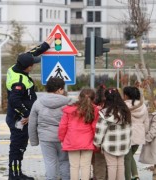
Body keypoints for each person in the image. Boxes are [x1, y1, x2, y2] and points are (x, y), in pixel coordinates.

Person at [6, 36, 54, 180]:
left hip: (20, 116)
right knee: (17, 147)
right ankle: (14, 176)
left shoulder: (16, 67)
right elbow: (14, 100)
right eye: (32, 64)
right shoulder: (18, 81)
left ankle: (17, 173)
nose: (33, 65)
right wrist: (27, 114)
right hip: (18, 118)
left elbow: (31, 53)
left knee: (20, 147)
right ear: (27, 67)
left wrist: (45, 44)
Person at [28, 77, 71, 180]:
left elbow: (32, 124)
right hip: (64, 137)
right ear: (60, 89)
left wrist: (34, 141)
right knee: (64, 162)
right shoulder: (68, 102)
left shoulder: (38, 103)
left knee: (50, 162)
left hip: (46, 138)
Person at [58, 88, 99, 180]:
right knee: (86, 166)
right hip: (88, 141)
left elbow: (63, 126)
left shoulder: (69, 110)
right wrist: (96, 140)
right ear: (93, 98)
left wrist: (62, 139)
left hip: (72, 140)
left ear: (79, 97)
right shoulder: (95, 110)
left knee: (74, 166)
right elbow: (94, 127)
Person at [94, 88, 131, 180]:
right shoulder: (126, 111)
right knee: (121, 165)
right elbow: (130, 127)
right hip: (123, 144)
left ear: (106, 98)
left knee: (112, 166)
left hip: (109, 145)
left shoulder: (105, 113)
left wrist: (97, 143)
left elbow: (100, 130)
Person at [123, 86, 149, 180]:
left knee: (127, 158)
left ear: (126, 95)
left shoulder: (123, 105)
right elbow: (146, 122)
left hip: (127, 134)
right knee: (129, 156)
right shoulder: (143, 106)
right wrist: (145, 133)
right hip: (139, 134)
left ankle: (130, 178)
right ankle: (135, 176)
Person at [92, 84, 108, 180]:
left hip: (96, 138)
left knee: (97, 162)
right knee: (106, 162)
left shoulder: (93, 108)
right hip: (108, 139)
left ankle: (97, 177)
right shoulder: (110, 108)